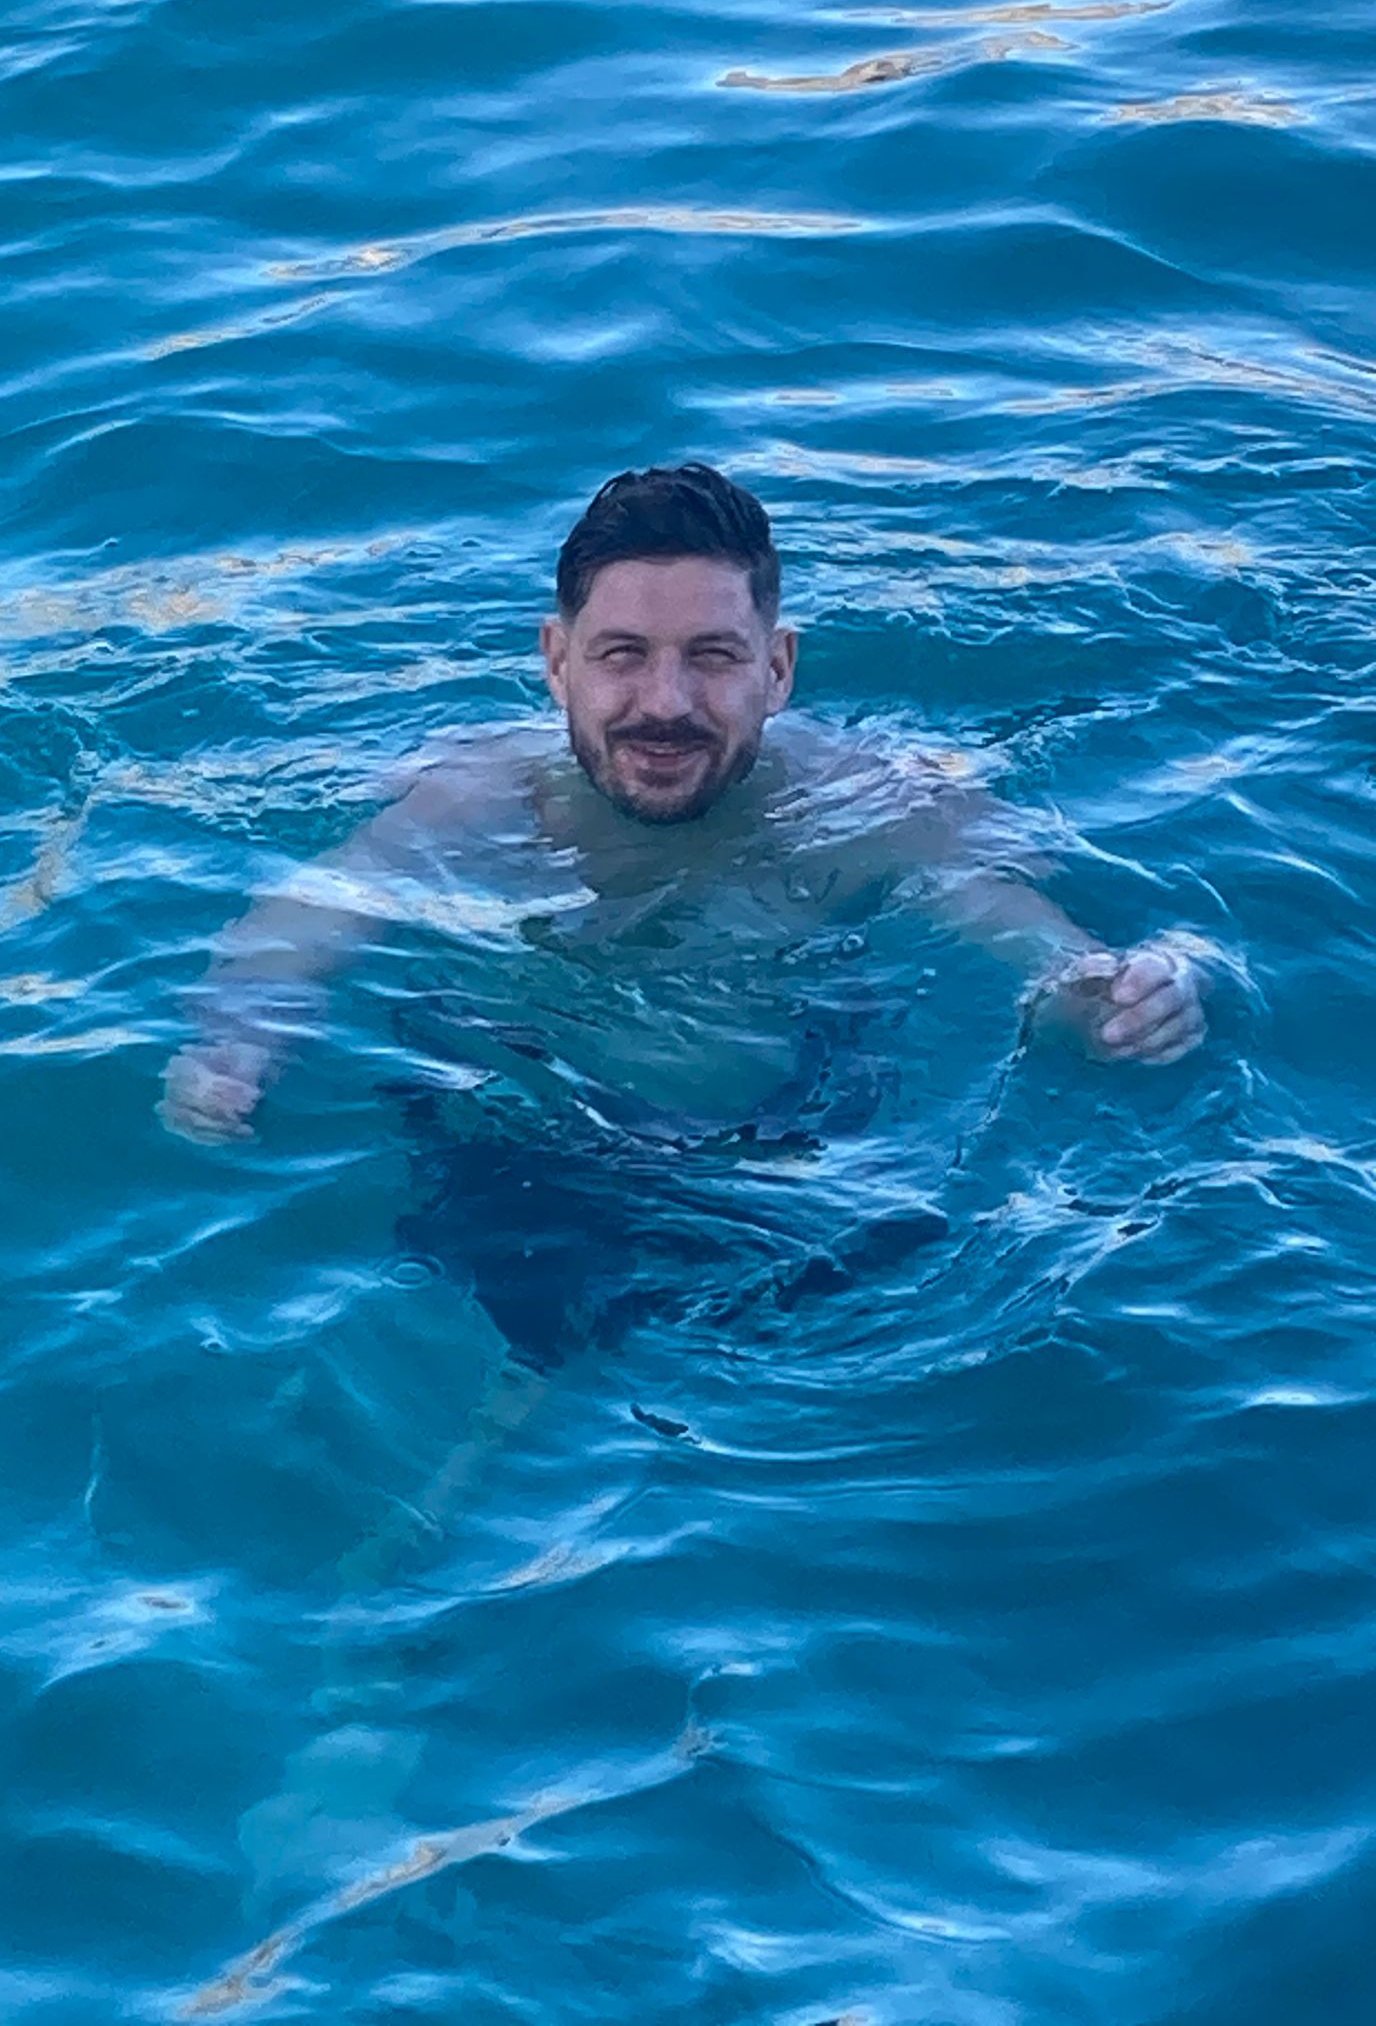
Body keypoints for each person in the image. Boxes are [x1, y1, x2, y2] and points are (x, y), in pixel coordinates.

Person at [161, 462, 1210, 1366]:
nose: (665, 702)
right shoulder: (470, 797)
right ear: (557, 661)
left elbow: (1049, 952)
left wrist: (1124, 998)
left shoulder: (879, 808)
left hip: (793, 1154)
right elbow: (300, 925)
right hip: (510, 1122)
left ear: (777, 668)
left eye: (712, 656)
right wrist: (236, 1043)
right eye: (623, 654)